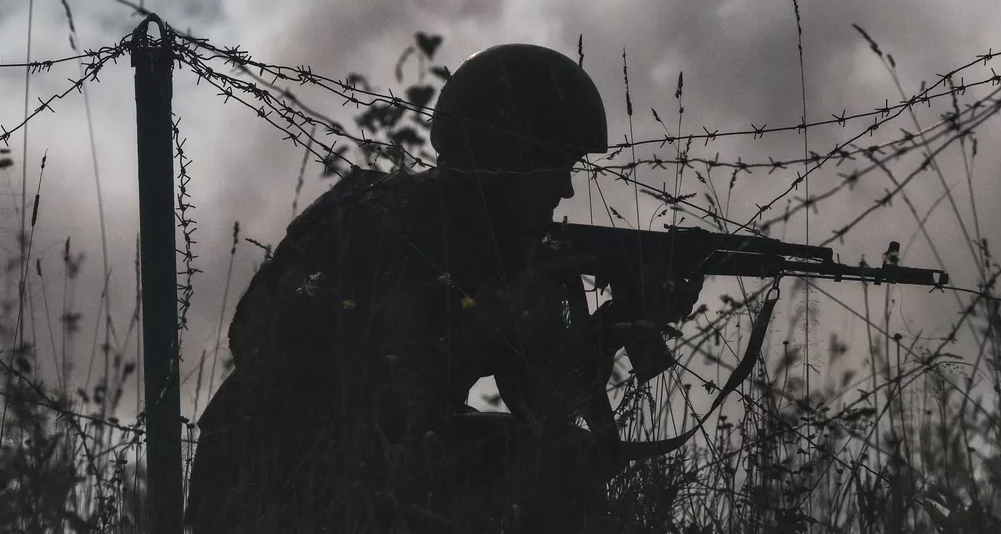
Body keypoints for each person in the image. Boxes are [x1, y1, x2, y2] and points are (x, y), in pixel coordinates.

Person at [185, 43, 670, 534]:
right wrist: (480, 330)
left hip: (377, 462)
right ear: (505, 162)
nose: (566, 190)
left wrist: (615, 325)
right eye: (557, 169)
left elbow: (547, 406)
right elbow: (286, 362)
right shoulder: (376, 223)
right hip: (276, 475)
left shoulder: (503, 249)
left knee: (566, 462)